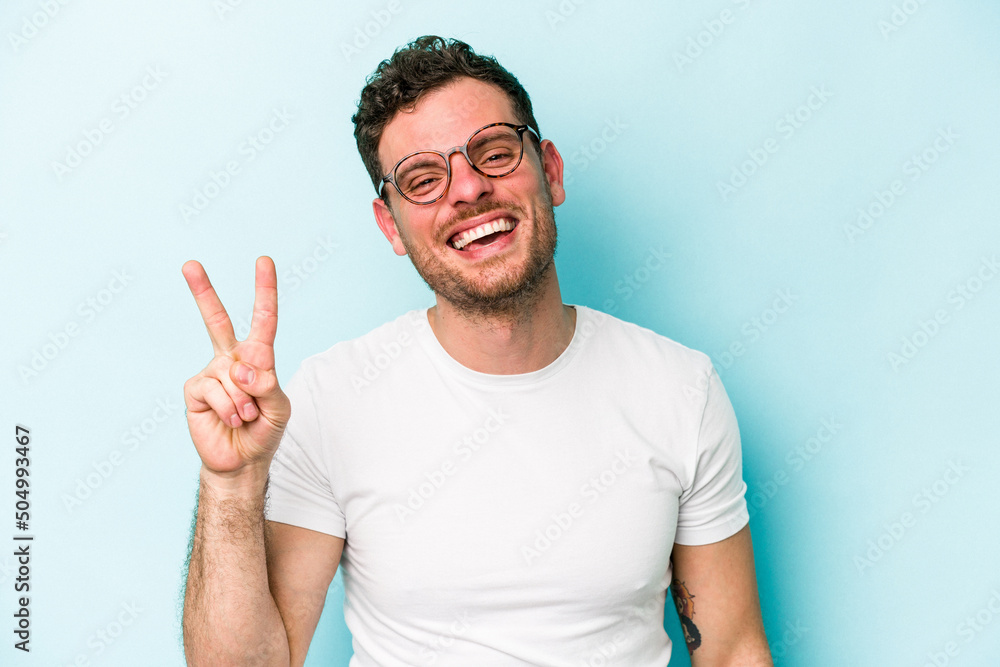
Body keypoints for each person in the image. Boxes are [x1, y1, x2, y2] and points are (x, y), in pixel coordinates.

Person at [181, 35, 773, 666]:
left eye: (493, 153)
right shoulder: (332, 398)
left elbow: (732, 651)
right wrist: (231, 484)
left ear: (550, 171)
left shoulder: (680, 389)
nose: (466, 189)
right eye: (423, 179)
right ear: (391, 226)